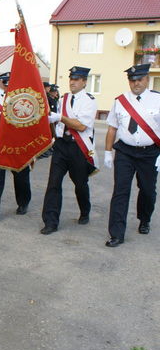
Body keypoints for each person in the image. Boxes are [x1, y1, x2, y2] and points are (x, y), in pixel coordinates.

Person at [104, 63, 160, 247]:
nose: (136, 83)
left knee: (147, 190)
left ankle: (144, 219)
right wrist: (107, 151)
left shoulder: (157, 99)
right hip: (125, 152)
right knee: (120, 191)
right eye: (132, 80)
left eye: (140, 79)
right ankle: (116, 234)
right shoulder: (120, 101)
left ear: (147, 80)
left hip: (149, 153)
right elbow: (112, 128)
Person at [41, 66, 98, 235]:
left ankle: (85, 210)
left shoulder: (89, 100)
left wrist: (60, 117)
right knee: (53, 183)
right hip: (61, 145)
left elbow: (81, 126)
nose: (72, 82)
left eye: (77, 79)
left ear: (84, 82)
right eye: (71, 78)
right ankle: (50, 221)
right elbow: (58, 122)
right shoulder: (63, 98)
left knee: (80, 183)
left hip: (78, 147)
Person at [0, 73, 31, 224]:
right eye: (6, 84)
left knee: (21, 175)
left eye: (12, 83)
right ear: (2, 84)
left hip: (18, 141)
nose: (9, 87)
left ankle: (23, 202)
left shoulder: (23, 100)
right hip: (0, 141)